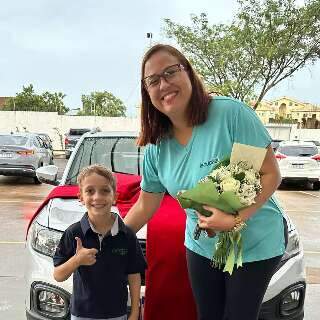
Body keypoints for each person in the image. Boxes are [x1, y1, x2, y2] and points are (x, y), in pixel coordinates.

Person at [124, 44, 287, 320]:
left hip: (254, 242)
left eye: (170, 72)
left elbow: (270, 174)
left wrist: (234, 219)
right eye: (153, 80)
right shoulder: (156, 147)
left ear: (188, 72)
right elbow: (145, 205)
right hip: (202, 245)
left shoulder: (229, 115)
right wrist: (106, 237)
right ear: (146, 92)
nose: (163, 84)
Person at [53, 164, 147, 320]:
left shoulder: (127, 235)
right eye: (90, 191)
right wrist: (77, 260)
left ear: (115, 196)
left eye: (105, 191)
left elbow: (134, 275)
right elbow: (58, 275)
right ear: (81, 197)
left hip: (117, 314)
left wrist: (135, 311)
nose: (97, 197)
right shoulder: (73, 233)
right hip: (82, 314)